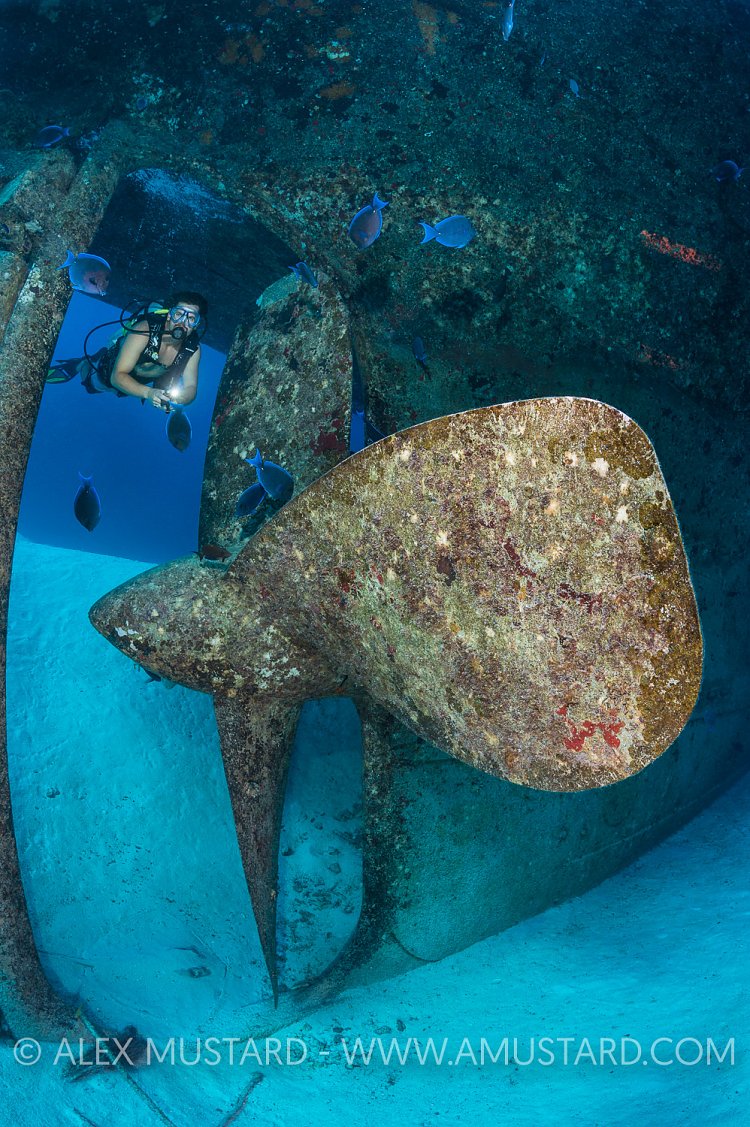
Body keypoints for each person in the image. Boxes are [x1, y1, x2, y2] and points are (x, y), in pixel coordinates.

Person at [47, 291, 207, 412]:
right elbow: (117, 377)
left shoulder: (193, 350)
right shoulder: (144, 331)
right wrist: (150, 394)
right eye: (178, 314)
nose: (182, 322)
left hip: (140, 384)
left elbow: (191, 387)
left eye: (191, 318)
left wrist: (179, 399)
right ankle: (82, 363)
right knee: (92, 386)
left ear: (196, 325)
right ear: (169, 316)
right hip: (110, 375)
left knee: (119, 391)